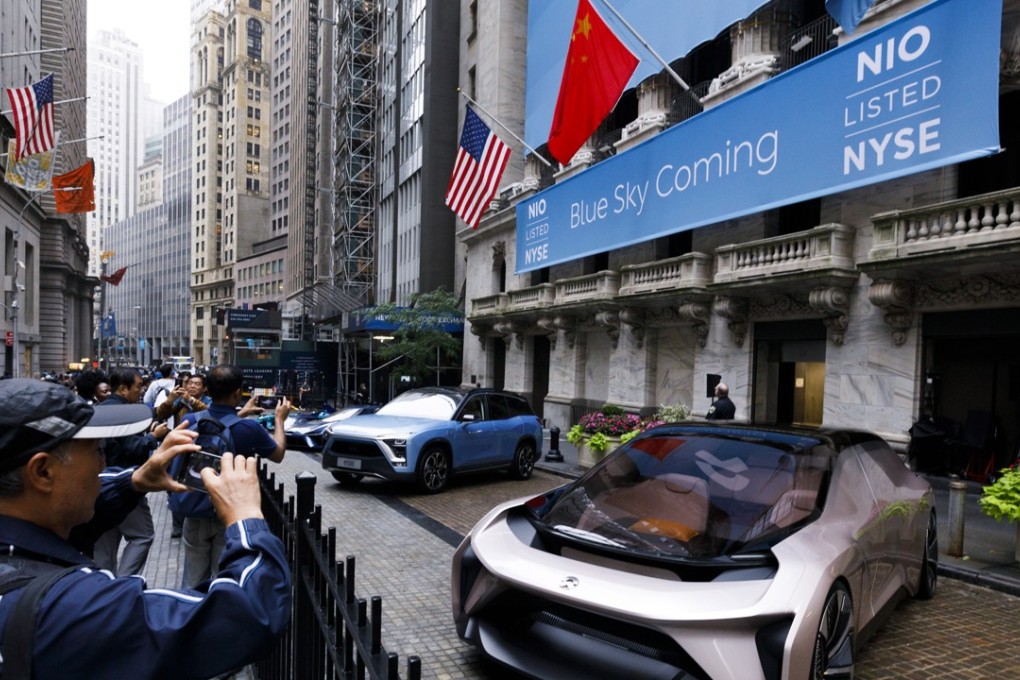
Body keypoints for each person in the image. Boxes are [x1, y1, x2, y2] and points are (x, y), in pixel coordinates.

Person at [0, 379, 291, 678]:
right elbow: (250, 616)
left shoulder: (21, 560)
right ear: (43, 471)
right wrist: (246, 519)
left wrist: (133, 482)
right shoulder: (74, 608)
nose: (103, 464)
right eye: (97, 450)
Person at [179, 364, 290, 588]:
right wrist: (279, 419)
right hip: (230, 513)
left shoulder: (191, 421)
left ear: (207, 390)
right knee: (225, 579)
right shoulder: (249, 429)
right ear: (238, 393)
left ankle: (189, 616)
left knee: (192, 580)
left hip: (194, 507)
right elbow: (278, 453)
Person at [92, 368, 168, 574]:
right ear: (123, 389)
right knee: (142, 535)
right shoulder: (123, 413)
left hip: (98, 485)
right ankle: (123, 585)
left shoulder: (101, 409)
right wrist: (153, 437)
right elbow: (133, 447)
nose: (140, 391)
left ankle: (103, 587)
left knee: (105, 541)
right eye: (137, 387)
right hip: (124, 482)